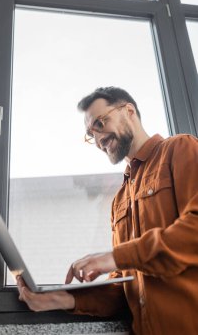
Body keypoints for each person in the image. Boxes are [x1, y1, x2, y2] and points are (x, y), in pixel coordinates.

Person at [17, 87, 198, 335]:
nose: (98, 138)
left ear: (129, 111)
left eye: (100, 123)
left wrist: (114, 256)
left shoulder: (180, 148)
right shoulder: (119, 200)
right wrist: (59, 299)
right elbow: (124, 286)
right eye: (91, 134)